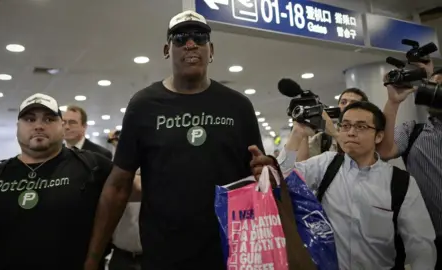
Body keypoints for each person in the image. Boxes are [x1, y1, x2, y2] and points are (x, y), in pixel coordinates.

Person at [84, 10, 314, 270]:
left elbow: (256, 176)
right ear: (166, 49)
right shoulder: (143, 106)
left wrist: (266, 170)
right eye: (180, 38)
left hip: (232, 252)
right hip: (163, 255)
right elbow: (117, 186)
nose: (190, 44)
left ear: (211, 49)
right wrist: (93, 258)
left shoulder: (237, 106)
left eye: (199, 37)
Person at [0, 93, 114, 270]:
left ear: (61, 126)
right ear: (18, 127)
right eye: (29, 119)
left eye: (49, 119)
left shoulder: (91, 165)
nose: (39, 126)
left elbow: (134, 188)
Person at [280, 101, 436, 269]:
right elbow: (281, 178)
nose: (351, 132)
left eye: (361, 127)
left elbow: (421, 245)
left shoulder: (400, 182)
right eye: (345, 126)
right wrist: (297, 134)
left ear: (379, 136)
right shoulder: (326, 165)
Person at [378, 61, 442, 268]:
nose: (435, 91)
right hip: (434, 239)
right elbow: (384, 151)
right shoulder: (414, 131)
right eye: (433, 85)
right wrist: (393, 103)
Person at [296, 88, 369, 161]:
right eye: (343, 102)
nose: (347, 106)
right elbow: (302, 167)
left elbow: (359, 162)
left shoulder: (368, 133)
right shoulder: (323, 138)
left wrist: (334, 133)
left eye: (353, 104)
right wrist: (304, 133)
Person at [106, 130, 143, 270]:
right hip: (121, 255)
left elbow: (137, 188)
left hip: (149, 256)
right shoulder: (112, 168)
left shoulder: (153, 167)